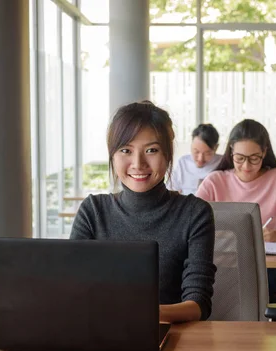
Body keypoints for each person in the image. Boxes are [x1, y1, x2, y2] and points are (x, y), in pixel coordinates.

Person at [70, 101, 216, 323]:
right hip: (99, 336)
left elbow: (198, 304)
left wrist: (143, 315)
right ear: (113, 155)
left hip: (172, 340)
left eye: (151, 150)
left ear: (167, 155)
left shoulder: (194, 213)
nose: (138, 164)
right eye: (126, 150)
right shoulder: (93, 211)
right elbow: (72, 289)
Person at [195, 119, 276, 297]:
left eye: (254, 158)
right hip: (221, 268)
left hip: (264, 269)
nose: (246, 166)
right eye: (240, 158)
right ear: (231, 152)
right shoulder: (215, 181)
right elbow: (190, 224)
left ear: (264, 152)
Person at [168, 123, 222, 195]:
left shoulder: (222, 162)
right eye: (196, 151)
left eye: (207, 153)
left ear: (216, 148)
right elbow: (170, 190)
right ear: (191, 144)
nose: (200, 159)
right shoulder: (183, 163)